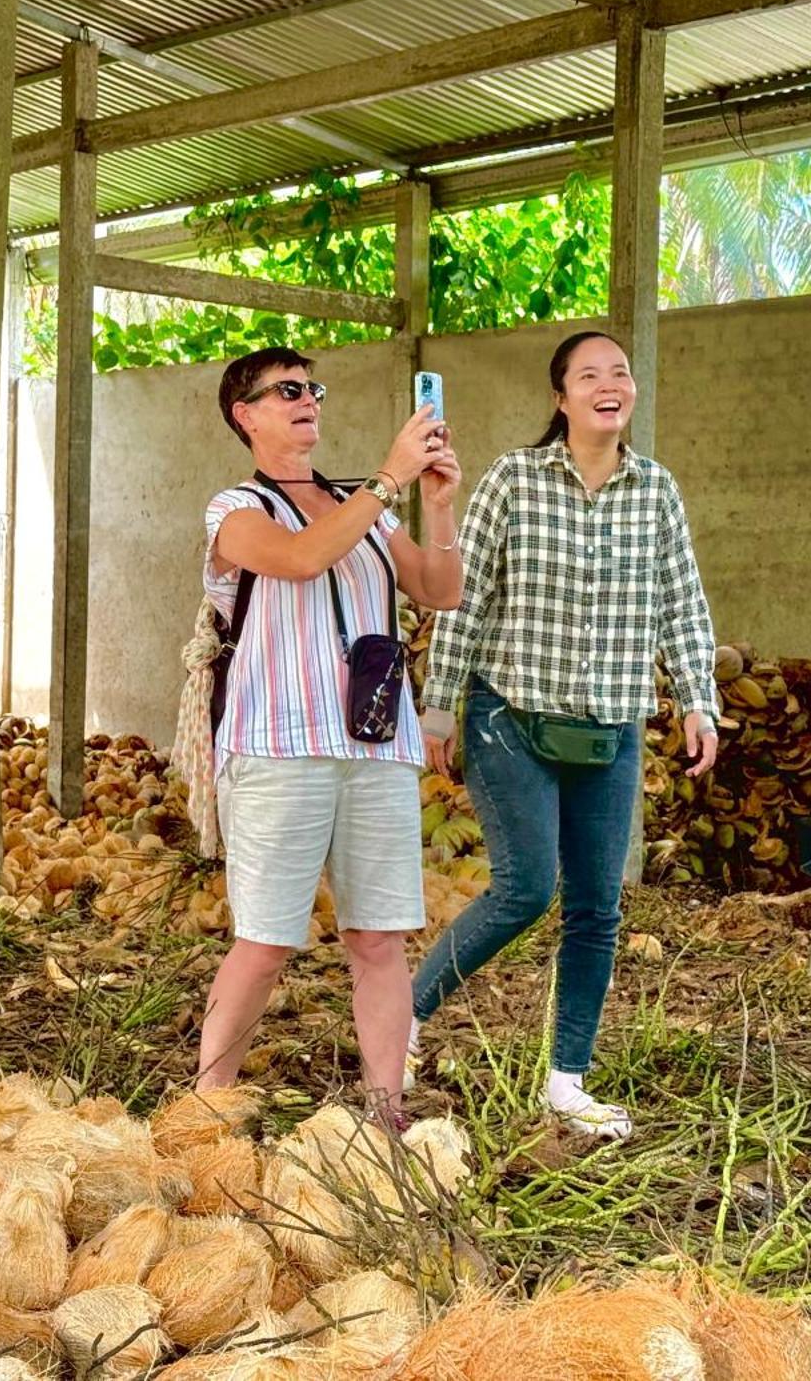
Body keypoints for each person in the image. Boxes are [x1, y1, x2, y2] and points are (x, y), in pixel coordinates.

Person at [413, 331, 719, 1142]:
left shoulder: (656, 490)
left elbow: (681, 603)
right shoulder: (515, 479)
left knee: (596, 908)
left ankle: (568, 1080)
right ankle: (402, 1019)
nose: (609, 384)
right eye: (590, 375)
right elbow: (467, 596)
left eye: (620, 372)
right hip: (508, 716)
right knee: (525, 890)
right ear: (561, 398)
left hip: (609, 728)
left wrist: (698, 700)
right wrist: (439, 705)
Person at [193, 346, 463, 1127]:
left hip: (373, 745)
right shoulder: (236, 509)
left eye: (312, 388)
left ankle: (386, 1110)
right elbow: (303, 559)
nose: (307, 398)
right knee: (267, 940)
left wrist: (438, 503)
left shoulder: (360, 504)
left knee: (379, 940)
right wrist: (388, 481)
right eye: (286, 390)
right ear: (245, 415)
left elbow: (439, 590)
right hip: (280, 745)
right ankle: (207, 1111)